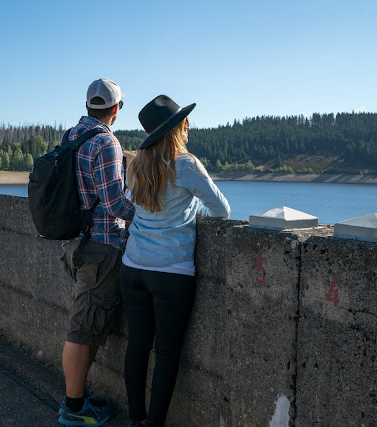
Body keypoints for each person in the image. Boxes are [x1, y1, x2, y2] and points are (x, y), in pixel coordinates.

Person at [120, 95, 230, 426]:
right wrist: (191, 209)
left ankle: (135, 418)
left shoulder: (136, 164)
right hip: (171, 272)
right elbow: (223, 210)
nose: (189, 127)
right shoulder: (184, 164)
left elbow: (143, 207)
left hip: (133, 267)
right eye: (186, 122)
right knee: (166, 354)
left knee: (137, 346)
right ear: (177, 128)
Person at [58, 78, 135, 426]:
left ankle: (79, 398)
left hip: (74, 244)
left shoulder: (72, 136)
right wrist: (149, 217)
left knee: (87, 326)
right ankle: (74, 409)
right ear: (116, 108)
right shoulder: (106, 143)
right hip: (101, 247)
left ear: (89, 104)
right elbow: (116, 204)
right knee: (81, 328)